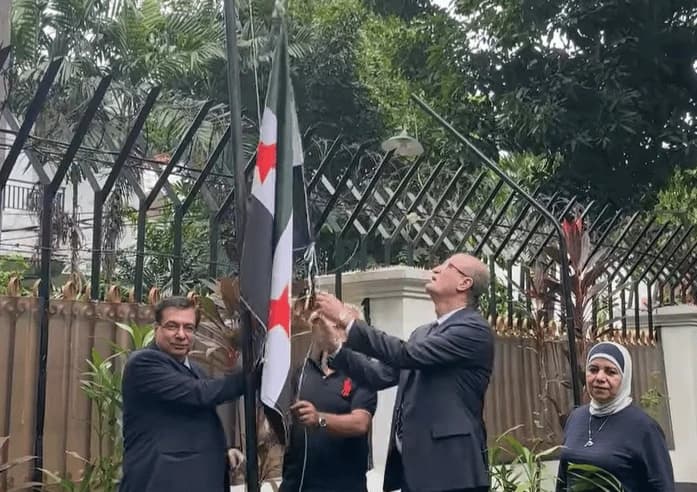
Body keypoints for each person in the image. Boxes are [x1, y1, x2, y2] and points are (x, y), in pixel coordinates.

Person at [315, 253, 494, 492]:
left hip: (453, 472)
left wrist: (346, 318)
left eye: (447, 266)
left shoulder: (473, 329)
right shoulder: (422, 333)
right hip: (416, 473)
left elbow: (403, 354)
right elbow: (376, 375)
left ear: (464, 283)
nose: (436, 268)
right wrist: (335, 346)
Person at [119, 296, 246, 492]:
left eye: (188, 328)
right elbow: (201, 394)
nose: (181, 334)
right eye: (172, 326)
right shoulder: (143, 363)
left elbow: (190, 423)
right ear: (156, 329)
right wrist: (251, 378)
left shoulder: (195, 370)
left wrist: (222, 452)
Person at [280, 308, 378, 492]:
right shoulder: (302, 372)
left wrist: (320, 419)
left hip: (343, 485)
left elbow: (360, 423)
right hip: (298, 484)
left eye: (338, 326)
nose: (329, 330)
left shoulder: (364, 374)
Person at [556, 341, 675, 491]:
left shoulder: (644, 427)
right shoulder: (575, 418)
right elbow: (562, 481)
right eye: (593, 370)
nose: (600, 377)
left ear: (624, 377)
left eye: (610, 372)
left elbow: (662, 486)